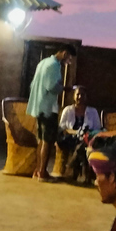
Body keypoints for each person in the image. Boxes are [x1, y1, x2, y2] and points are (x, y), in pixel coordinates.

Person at [27, 45, 76, 181]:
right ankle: (43, 172)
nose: (68, 62)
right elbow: (52, 87)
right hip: (48, 108)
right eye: (69, 59)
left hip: (38, 106)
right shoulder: (54, 66)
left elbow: (34, 84)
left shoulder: (43, 63)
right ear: (65, 53)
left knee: (41, 140)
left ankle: (37, 170)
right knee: (48, 141)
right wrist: (65, 88)